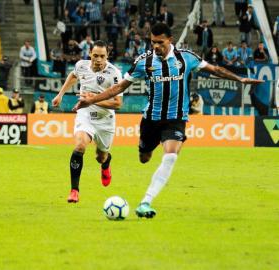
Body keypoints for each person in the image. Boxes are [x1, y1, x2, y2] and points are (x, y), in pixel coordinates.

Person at [73, 23, 262, 217]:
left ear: (170, 40)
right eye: (153, 42)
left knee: (171, 155)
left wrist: (240, 80)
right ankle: (143, 152)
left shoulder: (186, 57)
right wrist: (92, 100)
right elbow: (119, 87)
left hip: (176, 118)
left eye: (160, 42)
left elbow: (214, 69)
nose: (156, 46)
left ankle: (145, 202)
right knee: (144, 158)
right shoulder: (144, 62)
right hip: (151, 119)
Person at [52, 40, 123, 203]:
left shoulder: (114, 74)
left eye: (102, 56)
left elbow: (118, 103)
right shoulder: (81, 65)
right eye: (95, 55)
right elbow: (73, 75)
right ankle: (74, 190)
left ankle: (106, 164)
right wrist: (60, 94)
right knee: (80, 145)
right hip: (85, 114)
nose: (98, 59)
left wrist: (92, 100)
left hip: (105, 119)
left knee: (101, 157)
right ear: (90, 53)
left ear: (107, 56)